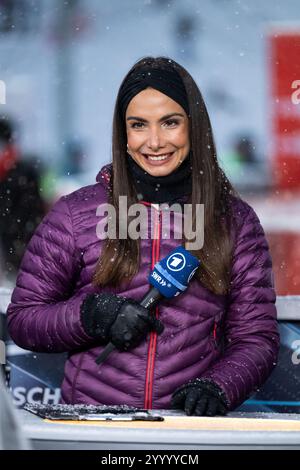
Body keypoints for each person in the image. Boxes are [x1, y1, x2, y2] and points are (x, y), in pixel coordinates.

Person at [7, 56, 280, 416]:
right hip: (91, 429)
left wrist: (218, 385)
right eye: (138, 125)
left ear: (193, 127)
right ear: (123, 132)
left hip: (191, 433)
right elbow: (24, 321)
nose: (154, 141)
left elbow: (256, 338)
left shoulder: (236, 221)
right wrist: (91, 315)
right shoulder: (74, 214)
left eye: (170, 123)